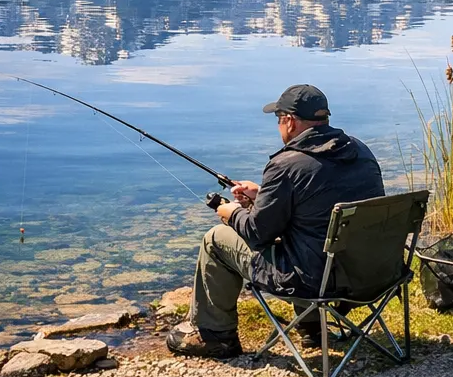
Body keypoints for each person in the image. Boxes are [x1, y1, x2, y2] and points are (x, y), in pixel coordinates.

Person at [165, 84, 385, 358]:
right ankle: (313, 327)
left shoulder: (286, 164)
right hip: (372, 274)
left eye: (279, 120)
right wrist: (262, 196)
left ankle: (215, 336)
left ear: (290, 121)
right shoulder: (360, 150)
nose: (279, 127)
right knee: (313, 241)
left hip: (316, 283)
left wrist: (232, 213)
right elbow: (315, 208)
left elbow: (258, 234)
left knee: (215, 240)